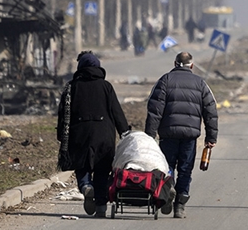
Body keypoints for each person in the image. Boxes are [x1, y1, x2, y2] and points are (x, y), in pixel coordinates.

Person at [57, 51, 130, 218]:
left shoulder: (72, 87)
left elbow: (63, 113)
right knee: (102, 170)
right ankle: (101, 207)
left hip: (80, 133)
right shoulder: (106, 87)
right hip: (104, 134)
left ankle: (85, 187)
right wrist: (125, 132)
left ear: (80, 67)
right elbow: (116, 112)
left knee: (82, 165)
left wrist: (61, 134)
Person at [145, 52, 218, 218]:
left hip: (168, 134)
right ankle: (180, 206)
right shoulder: (201, 84)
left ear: (175, 63)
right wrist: (211, 138)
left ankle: (168, 187)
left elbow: (154, 110)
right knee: (185, 170)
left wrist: (149, 135)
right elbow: (211, 111)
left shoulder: (165, 80)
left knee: (167, 166)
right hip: (190, 136)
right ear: (191, 65)